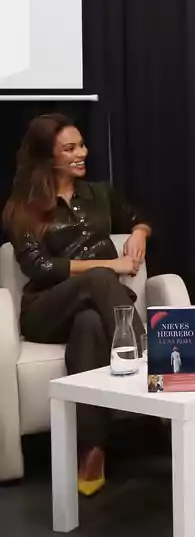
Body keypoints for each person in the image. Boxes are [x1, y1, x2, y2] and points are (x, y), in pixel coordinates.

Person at [2, 113, 151, 496]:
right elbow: (40, 266)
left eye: (81, 145)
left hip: (91, 310)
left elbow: (138, 217)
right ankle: (150, 359)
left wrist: (138, 234)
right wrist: (109, 264)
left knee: (89, 325)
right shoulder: (23, 206)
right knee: (101, 278)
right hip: (44, 311)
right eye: (69, 149)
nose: (81, 153)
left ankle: (92, 450)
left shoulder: (99, 193)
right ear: (46, 157)